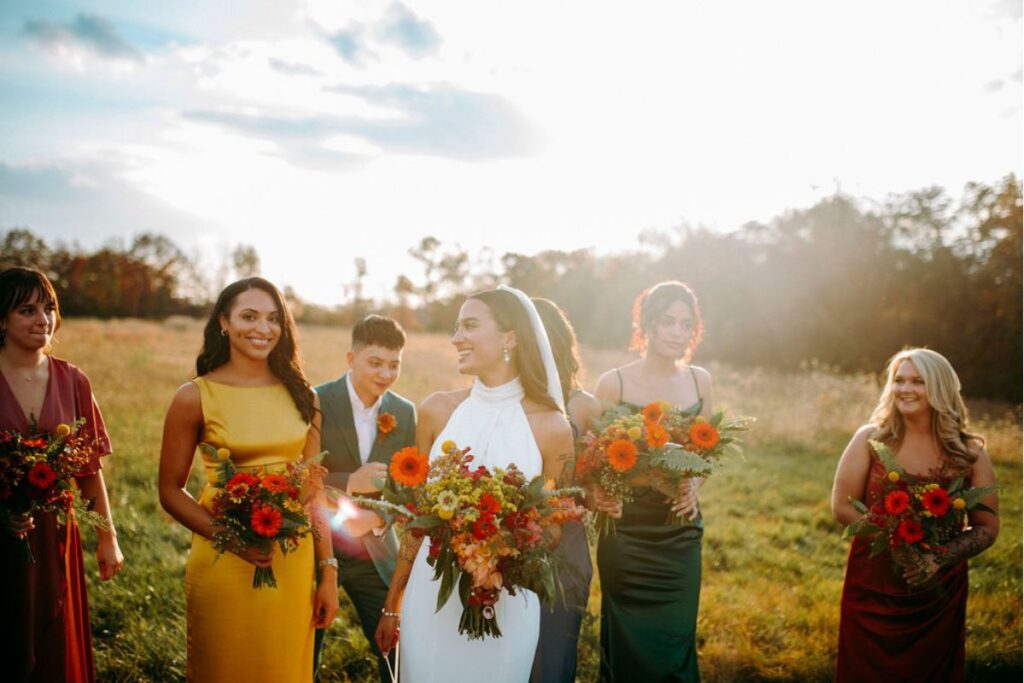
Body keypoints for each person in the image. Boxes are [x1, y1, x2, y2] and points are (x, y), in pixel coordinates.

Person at [374, 285, 574, 683]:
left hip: (505, 600)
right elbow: (417, 519)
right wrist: (392, 604)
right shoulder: (436, 410)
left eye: (469, 326)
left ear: (509, 338)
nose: (455, 338)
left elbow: (554, 529)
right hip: (431, 594)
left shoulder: (552, 427)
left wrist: (497, 548)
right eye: (455, 327)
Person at [158, 277, 338, 682]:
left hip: (292, 563)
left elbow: (313, 490)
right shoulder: (194, 396)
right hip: (223, 557)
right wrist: (233, 540)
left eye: (274, 318)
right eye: (249, 316)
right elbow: (169, 490)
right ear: (224, 321)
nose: (263, 328)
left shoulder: (303, 395)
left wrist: (328, 572)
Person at [830, 348, 999, 682]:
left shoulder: (969, 452)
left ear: (940, 388)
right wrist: (898, 546)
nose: (905, 389)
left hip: (937, 594)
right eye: (899, 380)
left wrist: (937, 559)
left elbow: (987, 527)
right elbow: (842, 506)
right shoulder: (870, 439)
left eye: (917, 381)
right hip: (873, 585)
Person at [0, 266, 124, 683]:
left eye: (49, 307)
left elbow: (90, 471)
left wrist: (107, 538)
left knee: (54, 646)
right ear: (2, 319)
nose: (43, 320)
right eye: (27, 310)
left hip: (56, 532)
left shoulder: (73, 380)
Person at [592, 280, 713, 683]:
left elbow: (705, 455)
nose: (678, 332)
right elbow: (590, 458)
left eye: (686, 323)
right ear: (646, 324)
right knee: (628, 648)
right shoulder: (615, 384)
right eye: (668, 322)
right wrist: (603, 493)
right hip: (626, 534)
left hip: (678, 535)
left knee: (675, 645)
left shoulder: (700, 382)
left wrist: (694, 485)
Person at [313, 315, 416, 681]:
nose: (386, 374)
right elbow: (302, 471)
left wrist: (377, 519)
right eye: (375, 363)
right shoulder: (318, 400)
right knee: (306, 639)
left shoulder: (404, 413)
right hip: (317, 543)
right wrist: (349, 482)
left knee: (397, 648)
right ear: (351, 359)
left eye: (394, 365)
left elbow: (409, 483)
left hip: (373, 548)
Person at [530, 297, 600, 683]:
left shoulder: (584, 406)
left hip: (564, 542)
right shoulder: (498, 401)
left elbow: (592, 485)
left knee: (552, 657)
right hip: (503, 538)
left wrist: (598, 495)